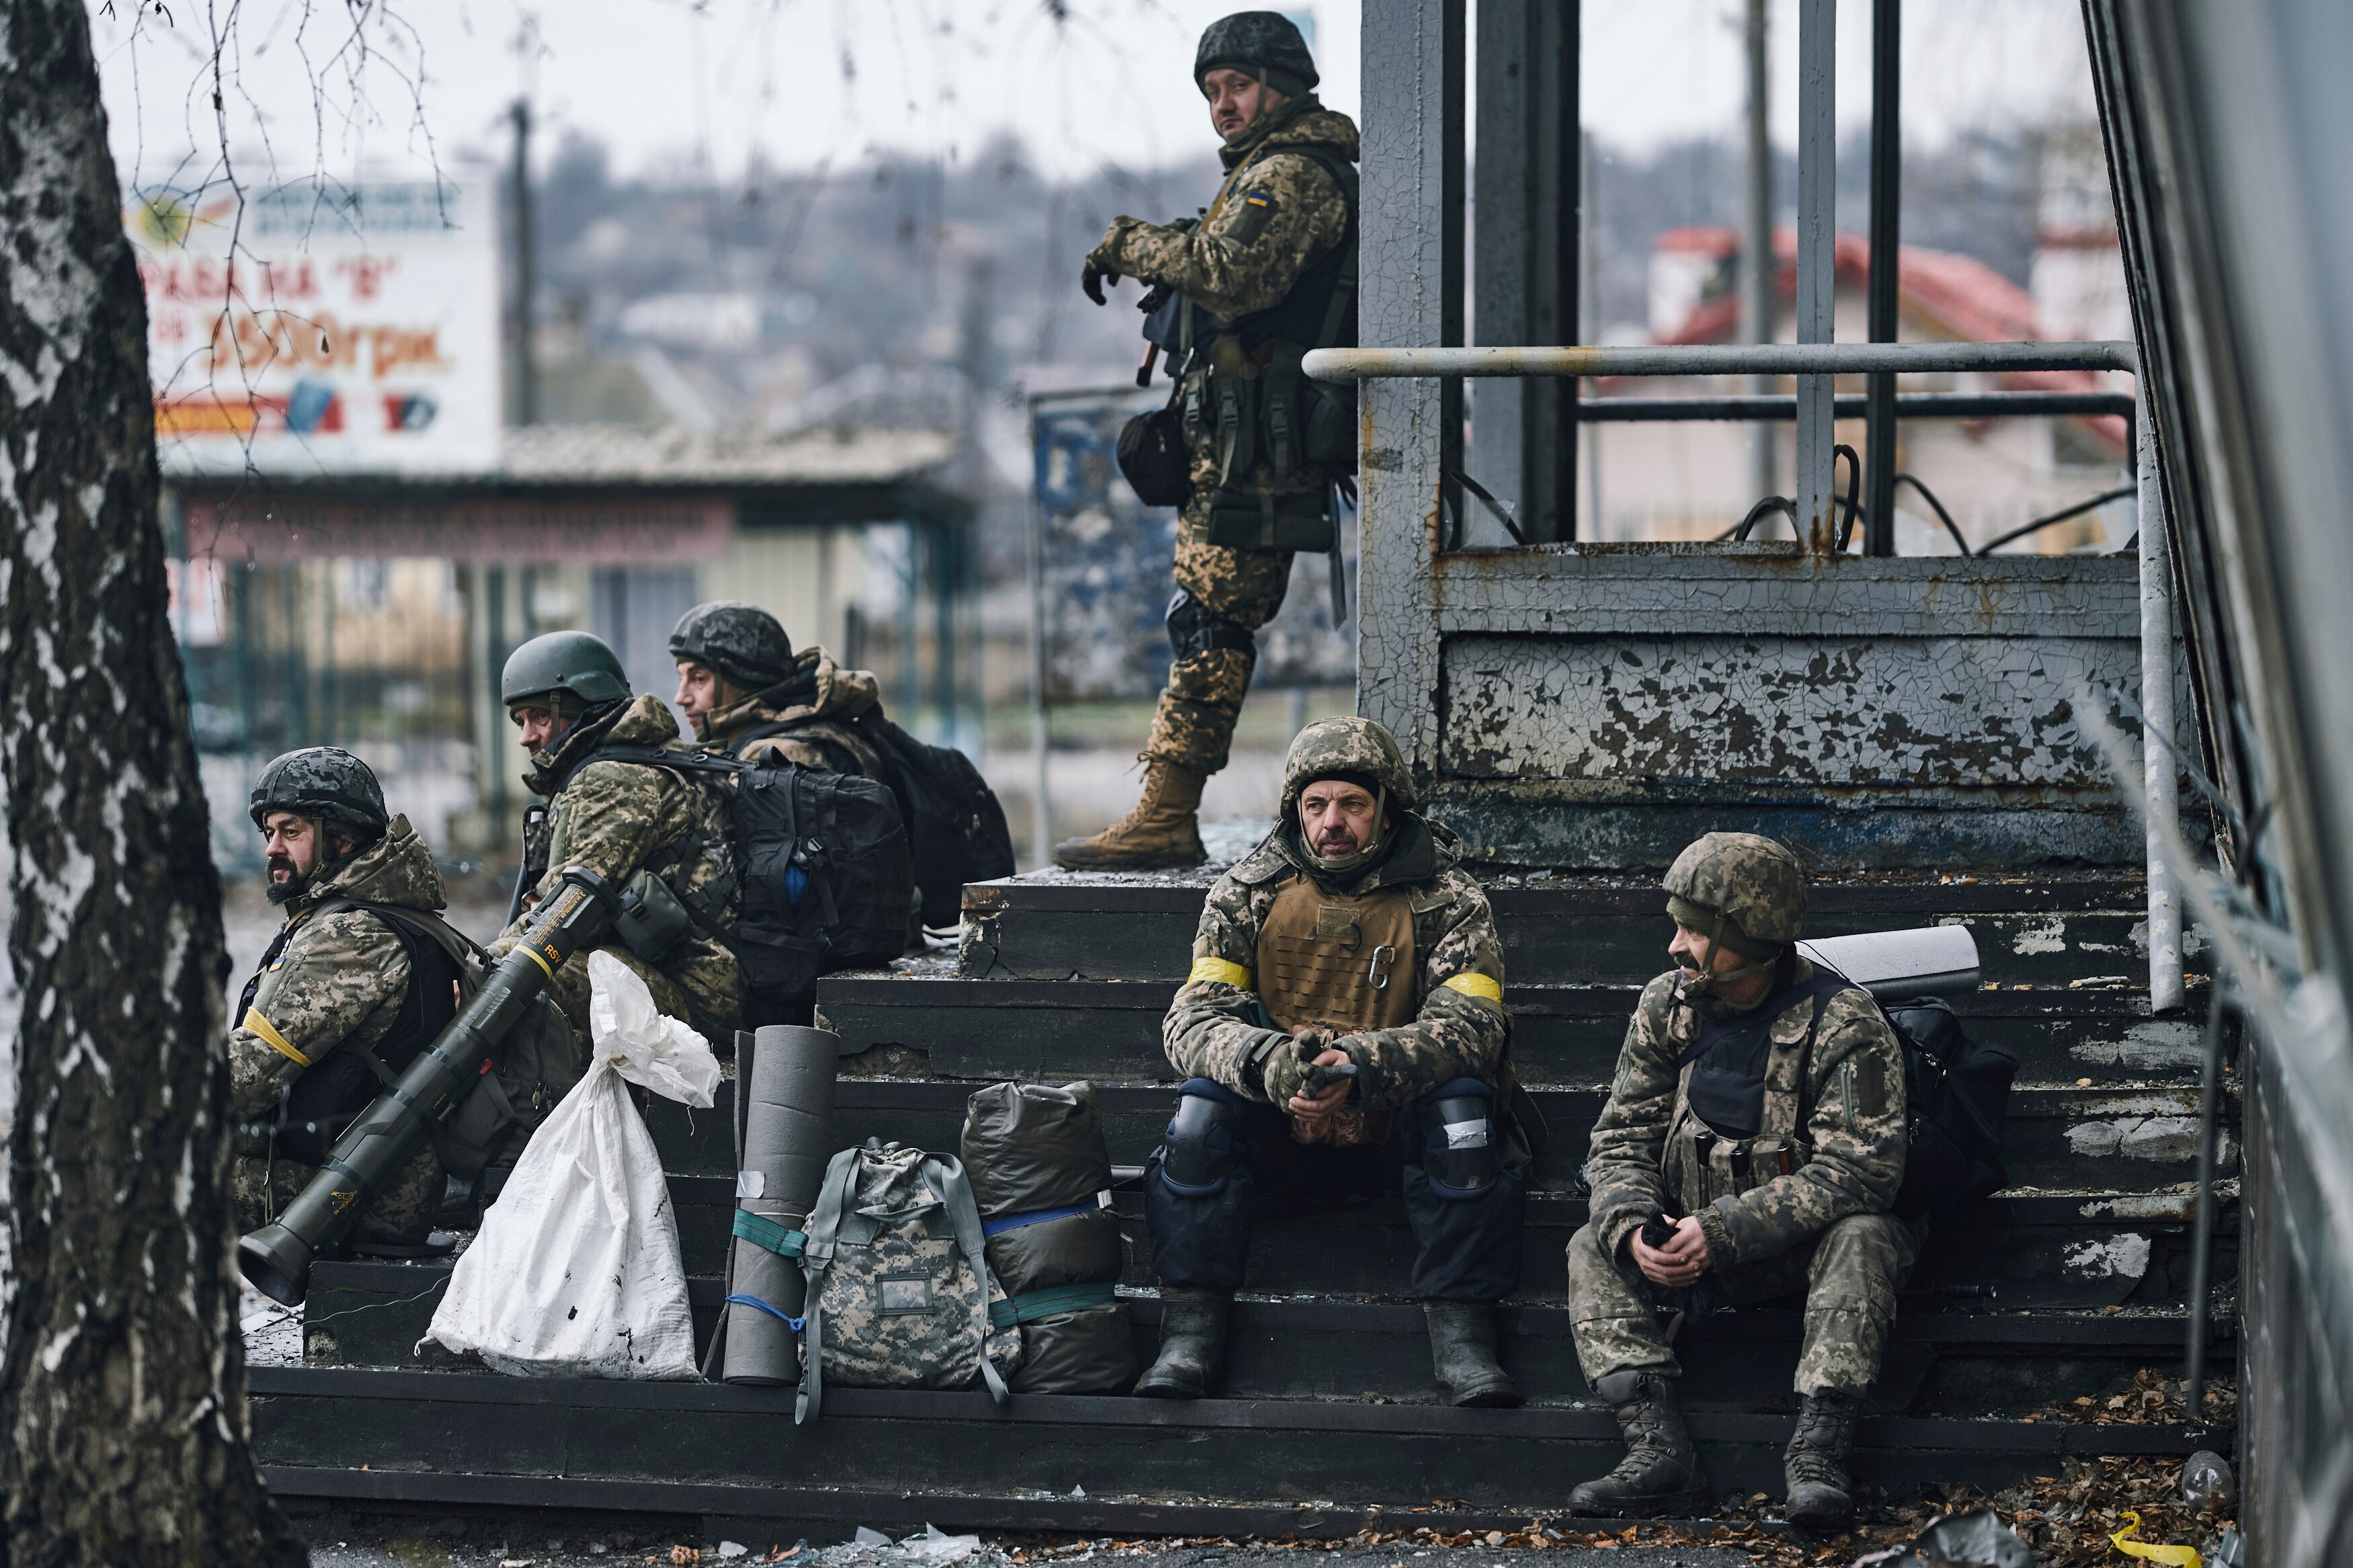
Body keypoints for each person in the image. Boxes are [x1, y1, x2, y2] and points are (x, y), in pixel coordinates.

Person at [1142, 717, 1525, 1407]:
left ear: (1385, 810)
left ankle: (1464, 1338)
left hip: (1396, 1130)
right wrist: (1271, 1063)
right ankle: (1189, 1333)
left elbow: (1473, 1027)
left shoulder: (1450, 898)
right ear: (1295, 809)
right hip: (1278, 1131)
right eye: (1315, 806)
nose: (1332, 823)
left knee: (1465, 1116)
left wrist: (1359, 1064)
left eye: (1351, 804)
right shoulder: (1245, 892)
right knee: (1197, 1118)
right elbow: (1192, 1020)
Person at [1054, 11, 1359, 870]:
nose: (1223, 106)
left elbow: (1230, 271)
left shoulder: (1293, 173)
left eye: (1238, 87)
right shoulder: (1270, 169)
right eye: (1212, 92)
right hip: (1240, 440)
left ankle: (1166, 808)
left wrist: (1127, 243)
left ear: (1284, 88)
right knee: (1209, 620)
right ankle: (1165, 805)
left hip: (1260, 449)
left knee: (1212, 623)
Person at [1565, 833, 1913, 1530]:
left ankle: (1818, 1453)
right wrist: (1636, 1229)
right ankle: (1659, 1455)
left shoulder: (1842, 1019)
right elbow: (1619, 1136)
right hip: (1686, 1248)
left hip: (1796, 1251)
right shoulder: (1666, 1004)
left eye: (1692, 929)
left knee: (1865, 1235)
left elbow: (1861, 1169)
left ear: (1745, 934)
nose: (1673, 945)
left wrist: (1721, 1232)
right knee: (1588, 1243)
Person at [229, 748, 477, 1245]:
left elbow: (244, 1081)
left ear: (340, 838)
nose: (272, 848)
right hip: (375, 1172)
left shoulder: (350, 936)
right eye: (269, 832)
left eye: (291, 831)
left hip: (367, 1193)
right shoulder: (389, 911)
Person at [494, 629, 740, 1048]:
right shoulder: (630, 759)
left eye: (539, 717)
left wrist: (482, 962)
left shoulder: (614, 778)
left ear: (579, 705)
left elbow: (564, 910)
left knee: (498, 978)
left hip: (695, 996)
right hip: (686, 978)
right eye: (520, 722)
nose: (526, 736)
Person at [668, 600, 888, 779]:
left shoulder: (779, 754)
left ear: (745, 680)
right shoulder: (747, 742)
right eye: (681, 677)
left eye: (699, 679)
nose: (681, 697)